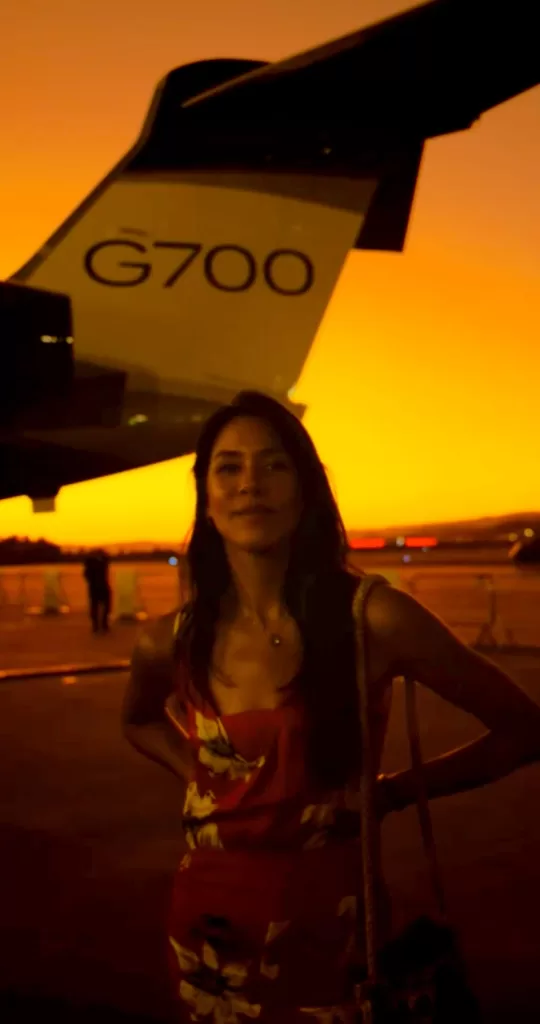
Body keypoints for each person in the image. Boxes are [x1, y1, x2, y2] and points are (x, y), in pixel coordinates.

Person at [122, 390, 540, 1023]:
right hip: (208, 926)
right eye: (228, 467)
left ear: (306, 489)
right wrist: (201, 777)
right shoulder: (171, 639)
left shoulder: (372, 618)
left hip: (333, 924)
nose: (249, 484)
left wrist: (394, 793)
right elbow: (138, 719)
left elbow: (523, 728)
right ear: (205, 497)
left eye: (274, 464)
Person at [83, 547, 111, 633]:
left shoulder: (89, 565)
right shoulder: (102, 564)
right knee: (106, 605)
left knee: (94, 606)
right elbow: (107, 560)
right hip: (102, 585)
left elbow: (86, 576)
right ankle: (103, 624)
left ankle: (95, 625)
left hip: (93, 587)